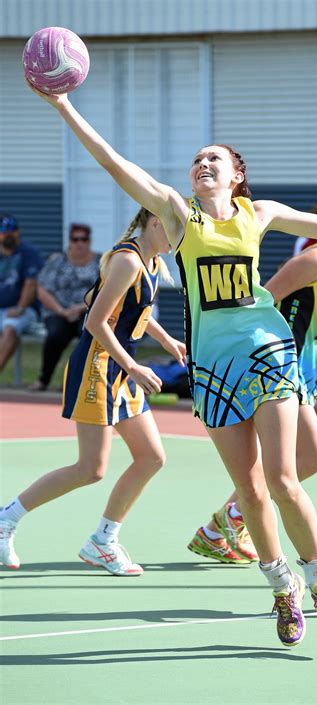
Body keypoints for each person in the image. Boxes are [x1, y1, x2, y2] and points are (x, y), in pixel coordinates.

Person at [26, 83, 317, 647]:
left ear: (236, 173)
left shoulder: (258, 213)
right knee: (251, 487)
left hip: (266, 350)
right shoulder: (177, 213)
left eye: (212, 158)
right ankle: (282, 589)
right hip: (213, 369)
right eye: (195, 160)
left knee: (285, 479)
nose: (201, 165)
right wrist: (64, 106)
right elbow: (115, 163)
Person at [0, 208, 186, 576]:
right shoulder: (128, 261)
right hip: (97, 368)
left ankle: (102, 540)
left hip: (121, 369)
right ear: (153, 223)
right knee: (91, 468)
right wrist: (133, 366)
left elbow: (137, 313)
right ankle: (6, 519)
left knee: (151, 457)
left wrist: (168, 342)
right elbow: (96, 321)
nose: (177, 241)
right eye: (174, 232)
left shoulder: (151, 261)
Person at [187, 189, 317, 567]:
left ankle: (220, 527)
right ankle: (228, 521)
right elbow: (265, 298)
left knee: (305, 460)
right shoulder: (315, 260)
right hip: (278, 366)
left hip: (306, 370)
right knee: (311, 457)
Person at [29, 223, 101, 391]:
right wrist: (62, 311)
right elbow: (42, 289)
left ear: (89, 241)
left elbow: (104, 290)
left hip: (88, 310)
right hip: (58, 311)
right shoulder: (57, 260)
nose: (79, 243)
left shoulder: (100, 262)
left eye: (83, 239)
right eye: (75, 239)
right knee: (55, 335)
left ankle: (74, 381)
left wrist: (80, 308)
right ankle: (43, 380)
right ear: (69, 241)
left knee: (86, 335)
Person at [0, 214, 43, 373]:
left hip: (24, 308)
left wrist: (20, 307)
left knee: (10, 328)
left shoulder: (28, 252)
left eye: (12, 231)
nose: (8, 234)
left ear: (18, 232)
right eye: (4, 231)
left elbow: (31, 284)